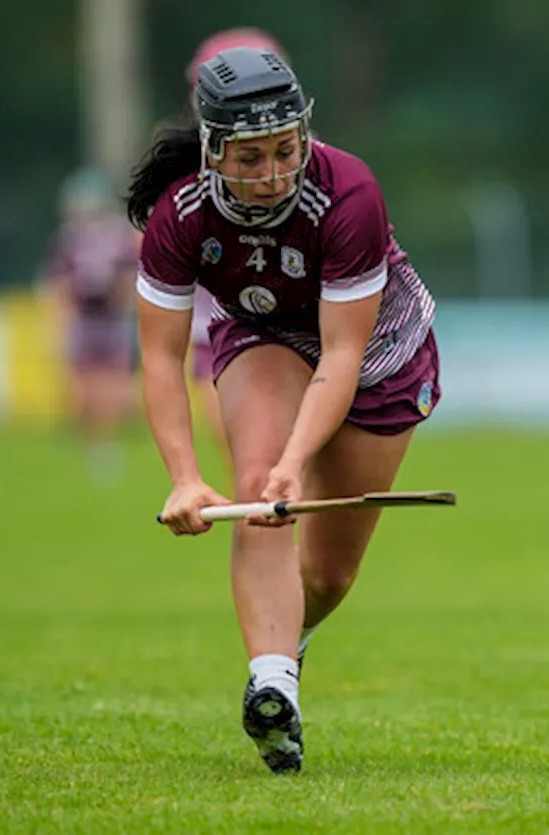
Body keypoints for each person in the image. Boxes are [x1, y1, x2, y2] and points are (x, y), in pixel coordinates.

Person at [127, 47, 440, 774]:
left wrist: (301, 464)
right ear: (211, 151)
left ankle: (286, 645)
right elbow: (160, 358)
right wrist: (183, 476)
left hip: (375, 354)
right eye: (249, 158)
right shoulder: (180, 216)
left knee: (328, 574)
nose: (271, 175)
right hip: (266, 334)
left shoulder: (350, 192)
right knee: (261, 480)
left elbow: (340, 354)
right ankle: (273, 690)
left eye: (285, 151)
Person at [184, 29, 292, 468]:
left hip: (289, 329)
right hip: (215, 330)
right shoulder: (185, 167)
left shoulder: (303, 155)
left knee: (282, 470)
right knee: (250, 469)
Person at [40, 167, 139, 484]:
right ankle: (92, 443)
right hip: (84, 320)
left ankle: (106, 444)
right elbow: (60, 284)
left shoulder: (120, 235)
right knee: (81, 388)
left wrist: (121, 299)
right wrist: (58, 322)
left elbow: (130, 277)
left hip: (111, 320)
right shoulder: (68, 239)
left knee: (115, 385)